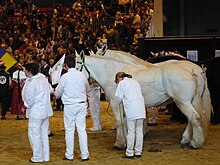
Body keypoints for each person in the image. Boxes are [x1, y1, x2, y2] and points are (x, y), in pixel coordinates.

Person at [54, 55, 90, 161]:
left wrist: (54, 92)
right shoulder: (82, 75)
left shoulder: (64, 77)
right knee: (82, 130)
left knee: (69, 130)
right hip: (81, 104)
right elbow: (87, 88)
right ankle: (85, 154)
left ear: (65, 65)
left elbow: (58, 93)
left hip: (70, 105)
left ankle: (69, 155)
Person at [22, 62, 53, 163]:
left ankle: (37, 157)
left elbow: (30, 99)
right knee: (43, 134)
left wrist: (25, 106)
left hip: (36, 111)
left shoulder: (32, 83)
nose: (24, 71)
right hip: (45, 110)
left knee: (34, 134)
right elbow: (50, 89)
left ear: (29, 71)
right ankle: (45, 156)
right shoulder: (43, 78)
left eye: (25, 70)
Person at [114, 72, 146, 159]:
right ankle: (138, 151)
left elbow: (118, 97)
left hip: (131, 109)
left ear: (119, 78)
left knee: (131, 131)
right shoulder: (135, 82)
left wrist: (117, 103)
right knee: (139, 131)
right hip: (141, 108)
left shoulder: (122, 83)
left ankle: (129, 152)